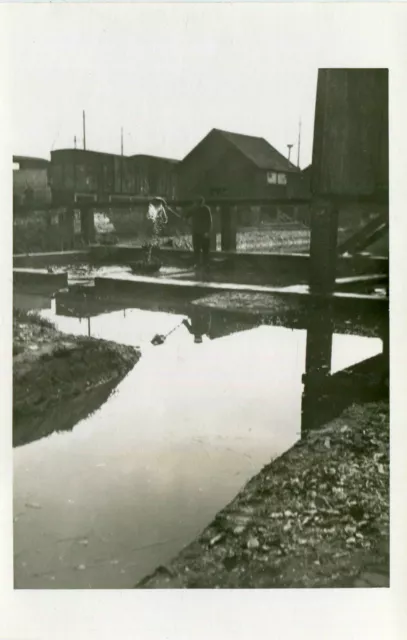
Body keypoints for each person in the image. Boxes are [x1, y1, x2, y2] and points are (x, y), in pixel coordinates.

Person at [183, 196, 212, 269]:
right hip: (200, 232)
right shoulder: (200, 209)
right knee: (200, 250)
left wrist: (186, 220)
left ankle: (202, 264)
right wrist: (185, 219)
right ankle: (202, 264)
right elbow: (209, 221)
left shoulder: (202, 209)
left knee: (200, 250)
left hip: (200, 232)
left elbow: (209, 221)